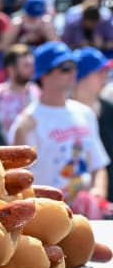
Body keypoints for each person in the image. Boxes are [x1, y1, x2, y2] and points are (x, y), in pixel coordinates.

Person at [9, 41, 109, 215]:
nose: (73, 72)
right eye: (65, 67)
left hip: (85, 214)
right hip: (48, 214)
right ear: (44, 75)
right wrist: (20, 135)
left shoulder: (85, 113)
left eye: (73, 66)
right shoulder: (27, 122)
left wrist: (98, 192)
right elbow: (18, 177)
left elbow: (98, 165)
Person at [71, 47, 113, 203]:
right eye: (99, 71)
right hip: (75, 197)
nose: (105, 76)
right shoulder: (65, 112)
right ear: (82, 76)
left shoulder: (109, 108)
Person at [0, 44, 40, 139]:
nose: (31, 70)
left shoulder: (38, 94)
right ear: (10, 69)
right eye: (26, 66)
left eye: (31, 65)